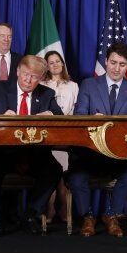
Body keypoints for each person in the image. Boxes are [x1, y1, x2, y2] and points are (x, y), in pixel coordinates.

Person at [0, 55, 63, 236]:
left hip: (35, 155)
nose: (29, 80)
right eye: (25, 74)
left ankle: (31, 215)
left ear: (41, 78)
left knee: (54, 169)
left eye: (35, 77)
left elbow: (60, 119)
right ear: (17, 71)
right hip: (2, 153)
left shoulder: (46, 94)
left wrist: (50, 115)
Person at [68, 42, 127, 237]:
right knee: (76, 177)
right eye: (113, 62)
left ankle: (110, 215)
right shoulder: (88, 84)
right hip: (90, 154)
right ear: (105, 62)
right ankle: (88, 217)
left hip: (119, 155)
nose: (116, 68)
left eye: (122, 64)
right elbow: (78, 117)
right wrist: (90, 120)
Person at [40, 51, 79, 223]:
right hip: (45, 135)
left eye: (58, 61)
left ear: (62, 64)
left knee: (62, 165)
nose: (55, 64)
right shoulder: (41, 85)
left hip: (66, 134)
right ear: (46, 66)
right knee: (50, 165)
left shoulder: (73, 86)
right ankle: (51, 207)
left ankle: (61, 206)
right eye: (51, 62)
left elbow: (77, 110)